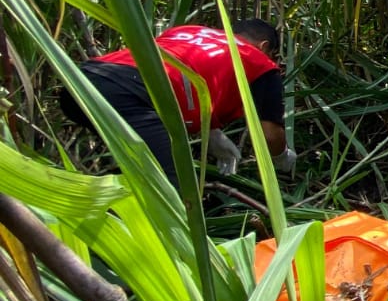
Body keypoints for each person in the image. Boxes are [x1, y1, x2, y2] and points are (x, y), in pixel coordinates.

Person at [61, 18, 294, 182]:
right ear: (264, 47)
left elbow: (181, 71)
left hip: (81, 81)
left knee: (140, 173)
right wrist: (283, 159)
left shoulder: (188, 31)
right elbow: (269, 134)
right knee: (173, 188)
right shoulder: (258, 61)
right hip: (129, 93)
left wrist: (212, 133)